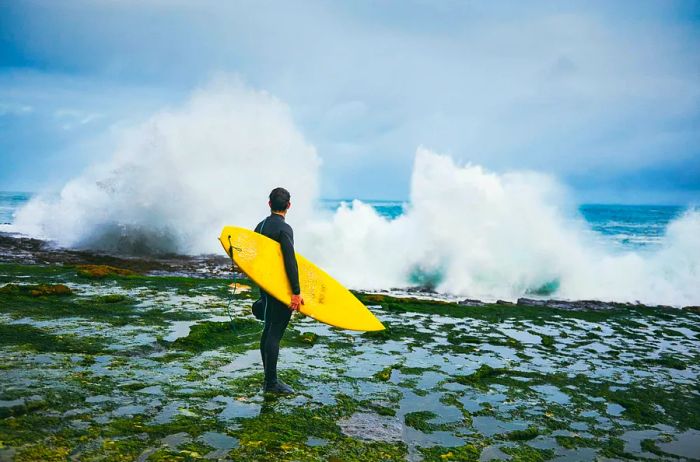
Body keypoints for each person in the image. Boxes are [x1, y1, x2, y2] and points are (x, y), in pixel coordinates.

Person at [253, 187, 304, 394]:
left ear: (269, 204)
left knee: (268, 329)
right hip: (280, 288)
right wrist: (296, 291)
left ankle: (268, 378)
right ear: (289, 206)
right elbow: (290, 261)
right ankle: (271, 383)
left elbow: (253, 259)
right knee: (275, 332)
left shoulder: (260, 226)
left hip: (265, 286)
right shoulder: (285, 229)